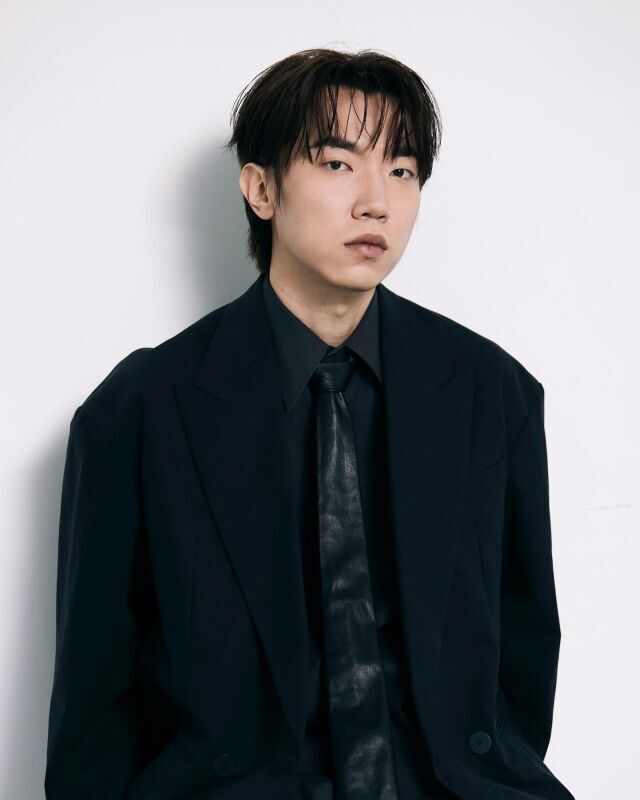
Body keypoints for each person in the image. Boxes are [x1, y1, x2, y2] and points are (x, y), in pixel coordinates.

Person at [44, 48, 575, 800]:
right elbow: (93, 703)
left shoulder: (491, 391)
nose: (376, 202)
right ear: (261, 189)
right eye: (337, 164)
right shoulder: (141, 409)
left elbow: (525, 645)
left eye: (402, 169)